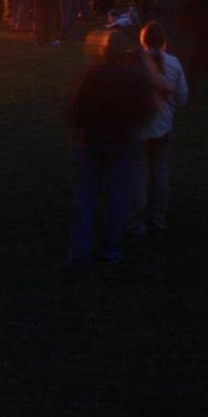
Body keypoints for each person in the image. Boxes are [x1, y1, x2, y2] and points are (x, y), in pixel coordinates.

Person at [68, 31, 156, 264]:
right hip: (122, 142)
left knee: (86, 197)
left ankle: (80, 250)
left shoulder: (92, 76)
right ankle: (110, 248)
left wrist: (81, 126)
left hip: (93, 141)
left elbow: (77, 107)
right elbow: (147, 109)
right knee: (117, 197)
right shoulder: (134, 79)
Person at [128, 22, 189, 236]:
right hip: (163, 127)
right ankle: (158, 218)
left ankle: (137, 221)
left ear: (142, 40)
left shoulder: (132, 63)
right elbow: (183, 98)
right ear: (164, 41)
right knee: (160, 173)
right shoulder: (174, 63)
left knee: (139, 174)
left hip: (137, 128)